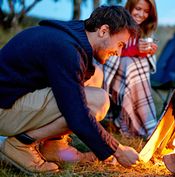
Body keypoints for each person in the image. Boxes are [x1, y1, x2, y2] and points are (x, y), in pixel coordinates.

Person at [0, 5, 140, 174]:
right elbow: (76, 113)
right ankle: (20, 144)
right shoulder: (67, 49)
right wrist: (117, 150)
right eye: (119, 44)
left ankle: (54, 145)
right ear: (103, 30)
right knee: (98, 101)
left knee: (96, 76)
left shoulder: (73, 36)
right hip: (4, 110)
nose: (118, 52)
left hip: (15, 97)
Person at [103, 0, 158, 138]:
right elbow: (109, 52)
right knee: (130, 64)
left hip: (130, 75)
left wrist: (148, 52)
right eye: (138, 9)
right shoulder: (118, 24)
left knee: (140, 64)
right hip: (113, 72)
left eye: (146, 12)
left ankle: (131, 121)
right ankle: (148, 125)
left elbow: (141, 55)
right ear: (129, 7)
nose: (141, 14)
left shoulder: (145, 30)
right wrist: (135, 50)